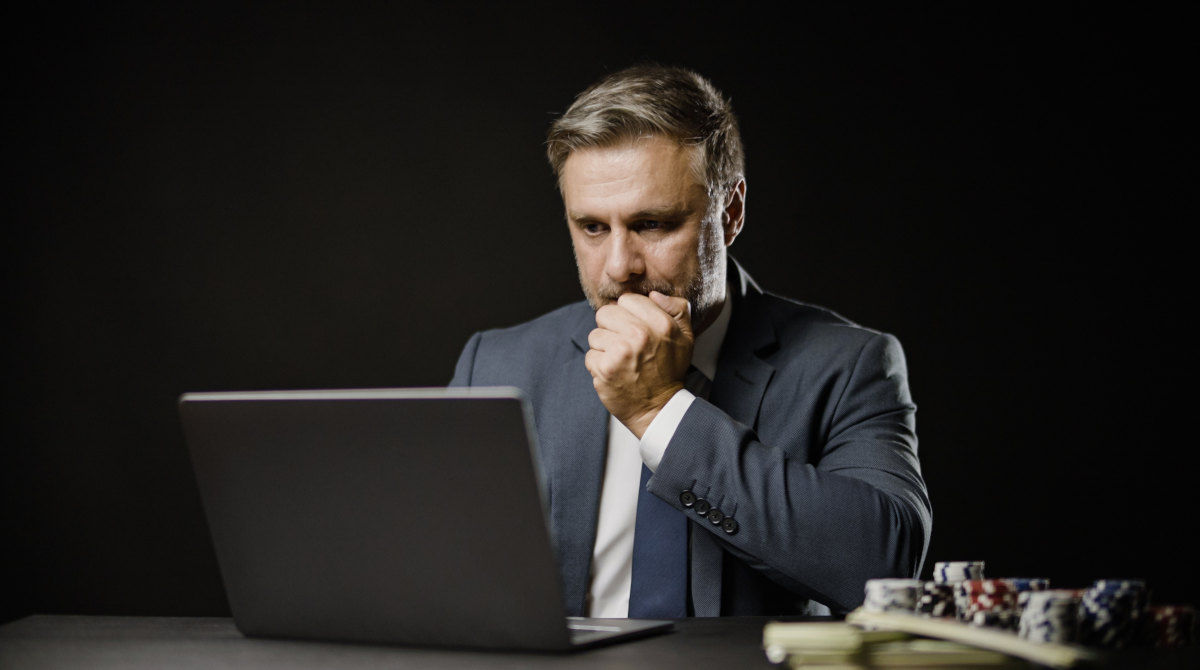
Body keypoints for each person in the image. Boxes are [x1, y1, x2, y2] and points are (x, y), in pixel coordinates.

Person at [450, 65, 931, 618]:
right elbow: (439, 574)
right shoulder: (498, 363)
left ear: (730, 212)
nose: (619, 267)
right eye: (592, 228)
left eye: (652, 225)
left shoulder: (847, 364)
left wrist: (659, 411)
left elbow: (883, 563)